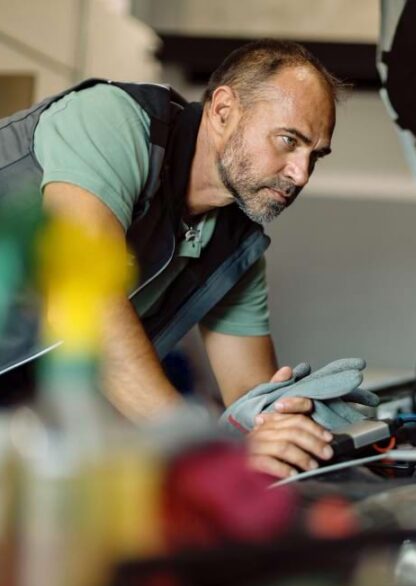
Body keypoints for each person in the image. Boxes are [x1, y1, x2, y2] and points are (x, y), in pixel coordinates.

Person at [0, 39, 341, 478]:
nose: (301, 173)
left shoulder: (237, 245)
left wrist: (292, 428)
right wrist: (196, 444)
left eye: (315, 155)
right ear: (223, 110)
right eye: (288, 141)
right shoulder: (114, 120)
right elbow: (83, 297)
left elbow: (250, 396)